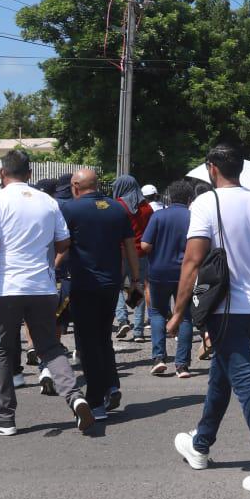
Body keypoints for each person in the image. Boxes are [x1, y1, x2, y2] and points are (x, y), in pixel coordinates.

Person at [169, 144, 250, 494]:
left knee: (246, 384)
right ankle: (200, 444)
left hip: (226, 311)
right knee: (221, 378)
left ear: (212, 169)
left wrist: (178, 311)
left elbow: (192, 262)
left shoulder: (205, 204)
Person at [0, 150, 92, 435]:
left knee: (1, 349)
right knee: (50, 347)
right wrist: (49, 266)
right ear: (30, 174)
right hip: (42, 287)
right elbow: (64, 242)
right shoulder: (48, 201)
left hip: (8, 287)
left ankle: (4, 417)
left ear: (2, 173)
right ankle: (75, 397)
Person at [60, 168, 142, 421]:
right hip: (111, 285)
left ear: (75, 186)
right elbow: (129, 246)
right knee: (103, 338)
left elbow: (62, 246)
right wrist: (135, 280)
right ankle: (112, 385)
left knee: (87, 342)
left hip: (84, 284)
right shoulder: (117, 209)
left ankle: (95, 401)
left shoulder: (70, 210)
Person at [142, 178, 195, 377]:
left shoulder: (158, 216)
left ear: (169, 197)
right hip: (185, 273)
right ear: (190, 198)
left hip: (159, 271)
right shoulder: (193, 217)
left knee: (156, 312)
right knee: (185, 316)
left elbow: (146, 245)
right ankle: (182, 365)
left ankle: (159, 358)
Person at [111, 174, 151, 341]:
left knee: (118, 287)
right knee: (138, 287)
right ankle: (139, 331)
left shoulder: (117, 206)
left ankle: (122, 320)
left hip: (120, 252)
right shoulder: (147, 208)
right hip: (141, 253)